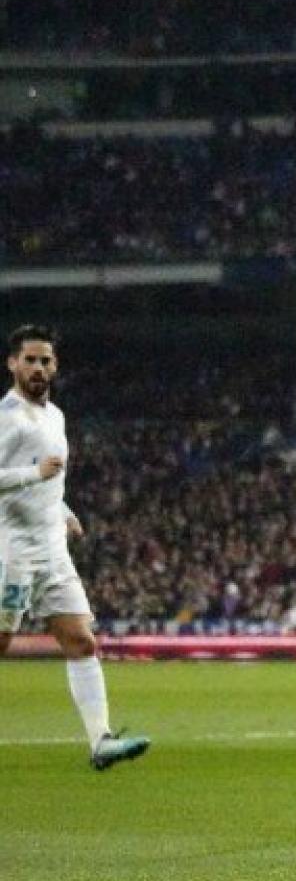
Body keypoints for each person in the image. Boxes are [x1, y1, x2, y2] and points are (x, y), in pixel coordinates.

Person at [0, 324, 151, 771]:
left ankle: (101, 740)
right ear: (12, 364)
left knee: (81, 641)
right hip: (14, 553)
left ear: (56, 366)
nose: (38, 367)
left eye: (45, 360)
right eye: (29, 359)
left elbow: (48, 478)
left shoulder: (55, 416)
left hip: (52, 549)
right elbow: (28, 473)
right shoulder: (8, 418)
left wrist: (63, 508)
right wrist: (34, 476)